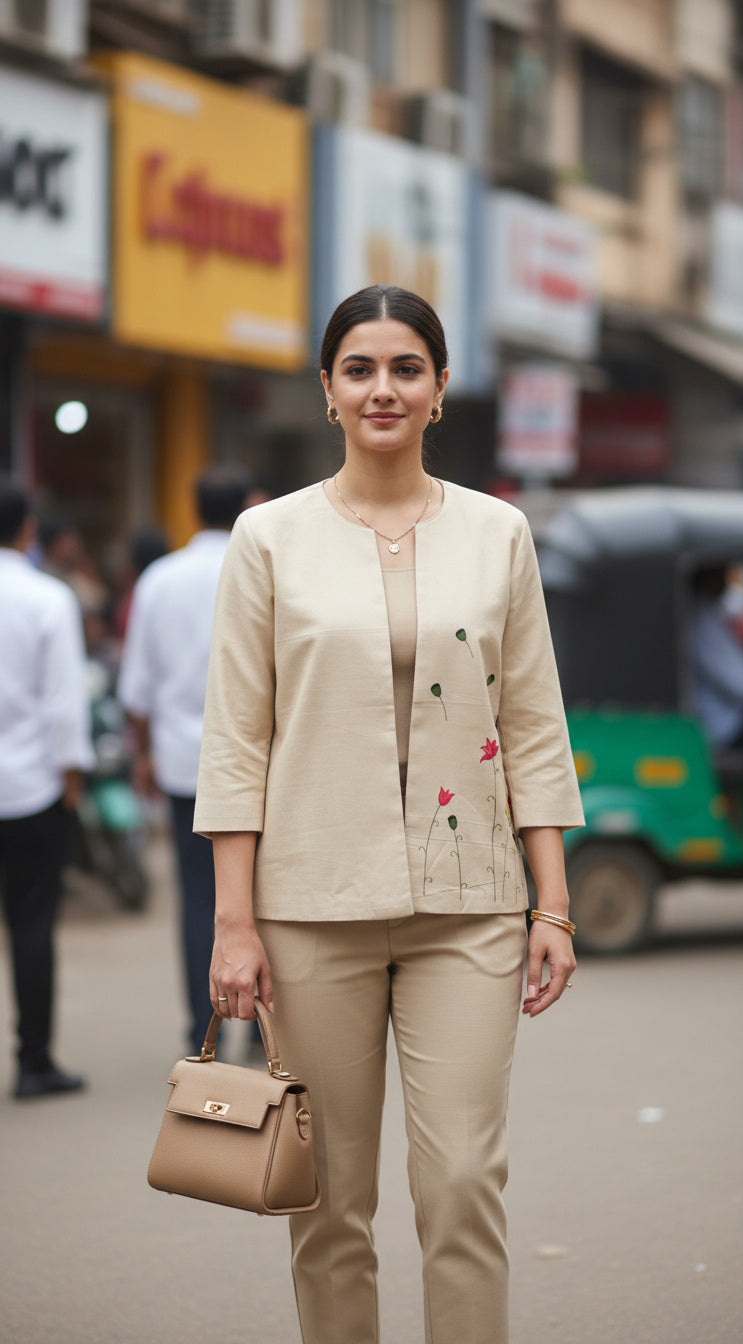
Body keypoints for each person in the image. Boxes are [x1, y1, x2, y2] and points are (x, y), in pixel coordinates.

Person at [193, 286, 584, 1344]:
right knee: (328, 1206)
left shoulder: (499, 533)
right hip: (312, 908)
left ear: (441, 390)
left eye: (406, 367)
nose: (383, 388)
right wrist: (236, 924)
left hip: (471, 906)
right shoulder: (267, 539)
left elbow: (533, 724)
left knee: (462, 1184)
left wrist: (552, 906)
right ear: (326, 391)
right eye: (359, 369)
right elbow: (238, 739)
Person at [118, 467, 250, 1052]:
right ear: (246, 506)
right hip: (255, 764)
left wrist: (142, 754)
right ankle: (257, 1028)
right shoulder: (261, 566)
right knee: (259, 896)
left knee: (199, 896)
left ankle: (205, 1026)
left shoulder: (158, 580)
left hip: (182, 763)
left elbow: (136, 687)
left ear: (193, 509)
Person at [0, 479, 93, 1099]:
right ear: (27, 529)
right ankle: (34, 1061)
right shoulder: (46, 597)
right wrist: (72, 777)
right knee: (32, 925)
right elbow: (65, 699)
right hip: (30, 785)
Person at [687, 563, 743, 757]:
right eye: (720, 569)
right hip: (723, 727)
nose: (724, 576)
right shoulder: (700, 616)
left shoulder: (707, 609)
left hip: (730, 717)